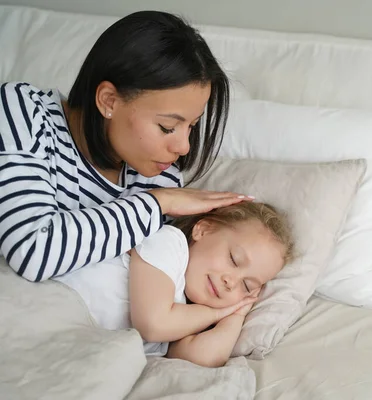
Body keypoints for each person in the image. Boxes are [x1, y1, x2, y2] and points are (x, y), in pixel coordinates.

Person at [0, 11, 252, 282]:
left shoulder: (157, 175)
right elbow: (32, 251)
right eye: (167, 127)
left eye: (191, 126)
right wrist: (159, 202)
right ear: (109, 101)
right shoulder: (21, 111)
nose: (184, 147)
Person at [55, 202, 295, 367]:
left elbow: (200, 359)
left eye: (247, 286)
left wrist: (236, 314)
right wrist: (218, 311)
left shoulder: (187, 314)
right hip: (53, 304)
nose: (231, 282)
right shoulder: (169, 243)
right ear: (204, 229)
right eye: (233, 259)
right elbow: (153, 324)